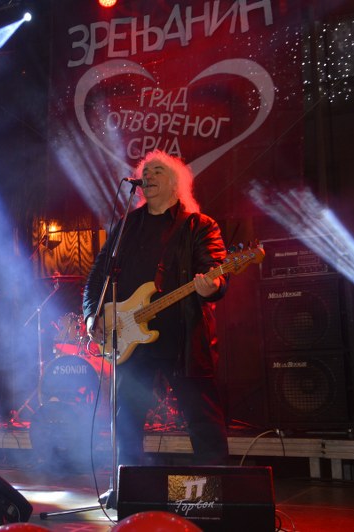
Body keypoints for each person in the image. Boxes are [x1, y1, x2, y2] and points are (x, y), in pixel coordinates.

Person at [82, 150, 230, 469]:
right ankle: (125, 486)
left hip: (183, 340)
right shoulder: (127, 226)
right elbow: (97, 275)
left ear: (176, 183)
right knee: (127, 422)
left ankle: (215, 489)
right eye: (144, 172)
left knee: (203, 421)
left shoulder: (199, 225)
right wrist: (92, 315)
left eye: (157, 171)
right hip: (131, 340)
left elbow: (215, 269)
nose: (148, 176)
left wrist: (213, 285)